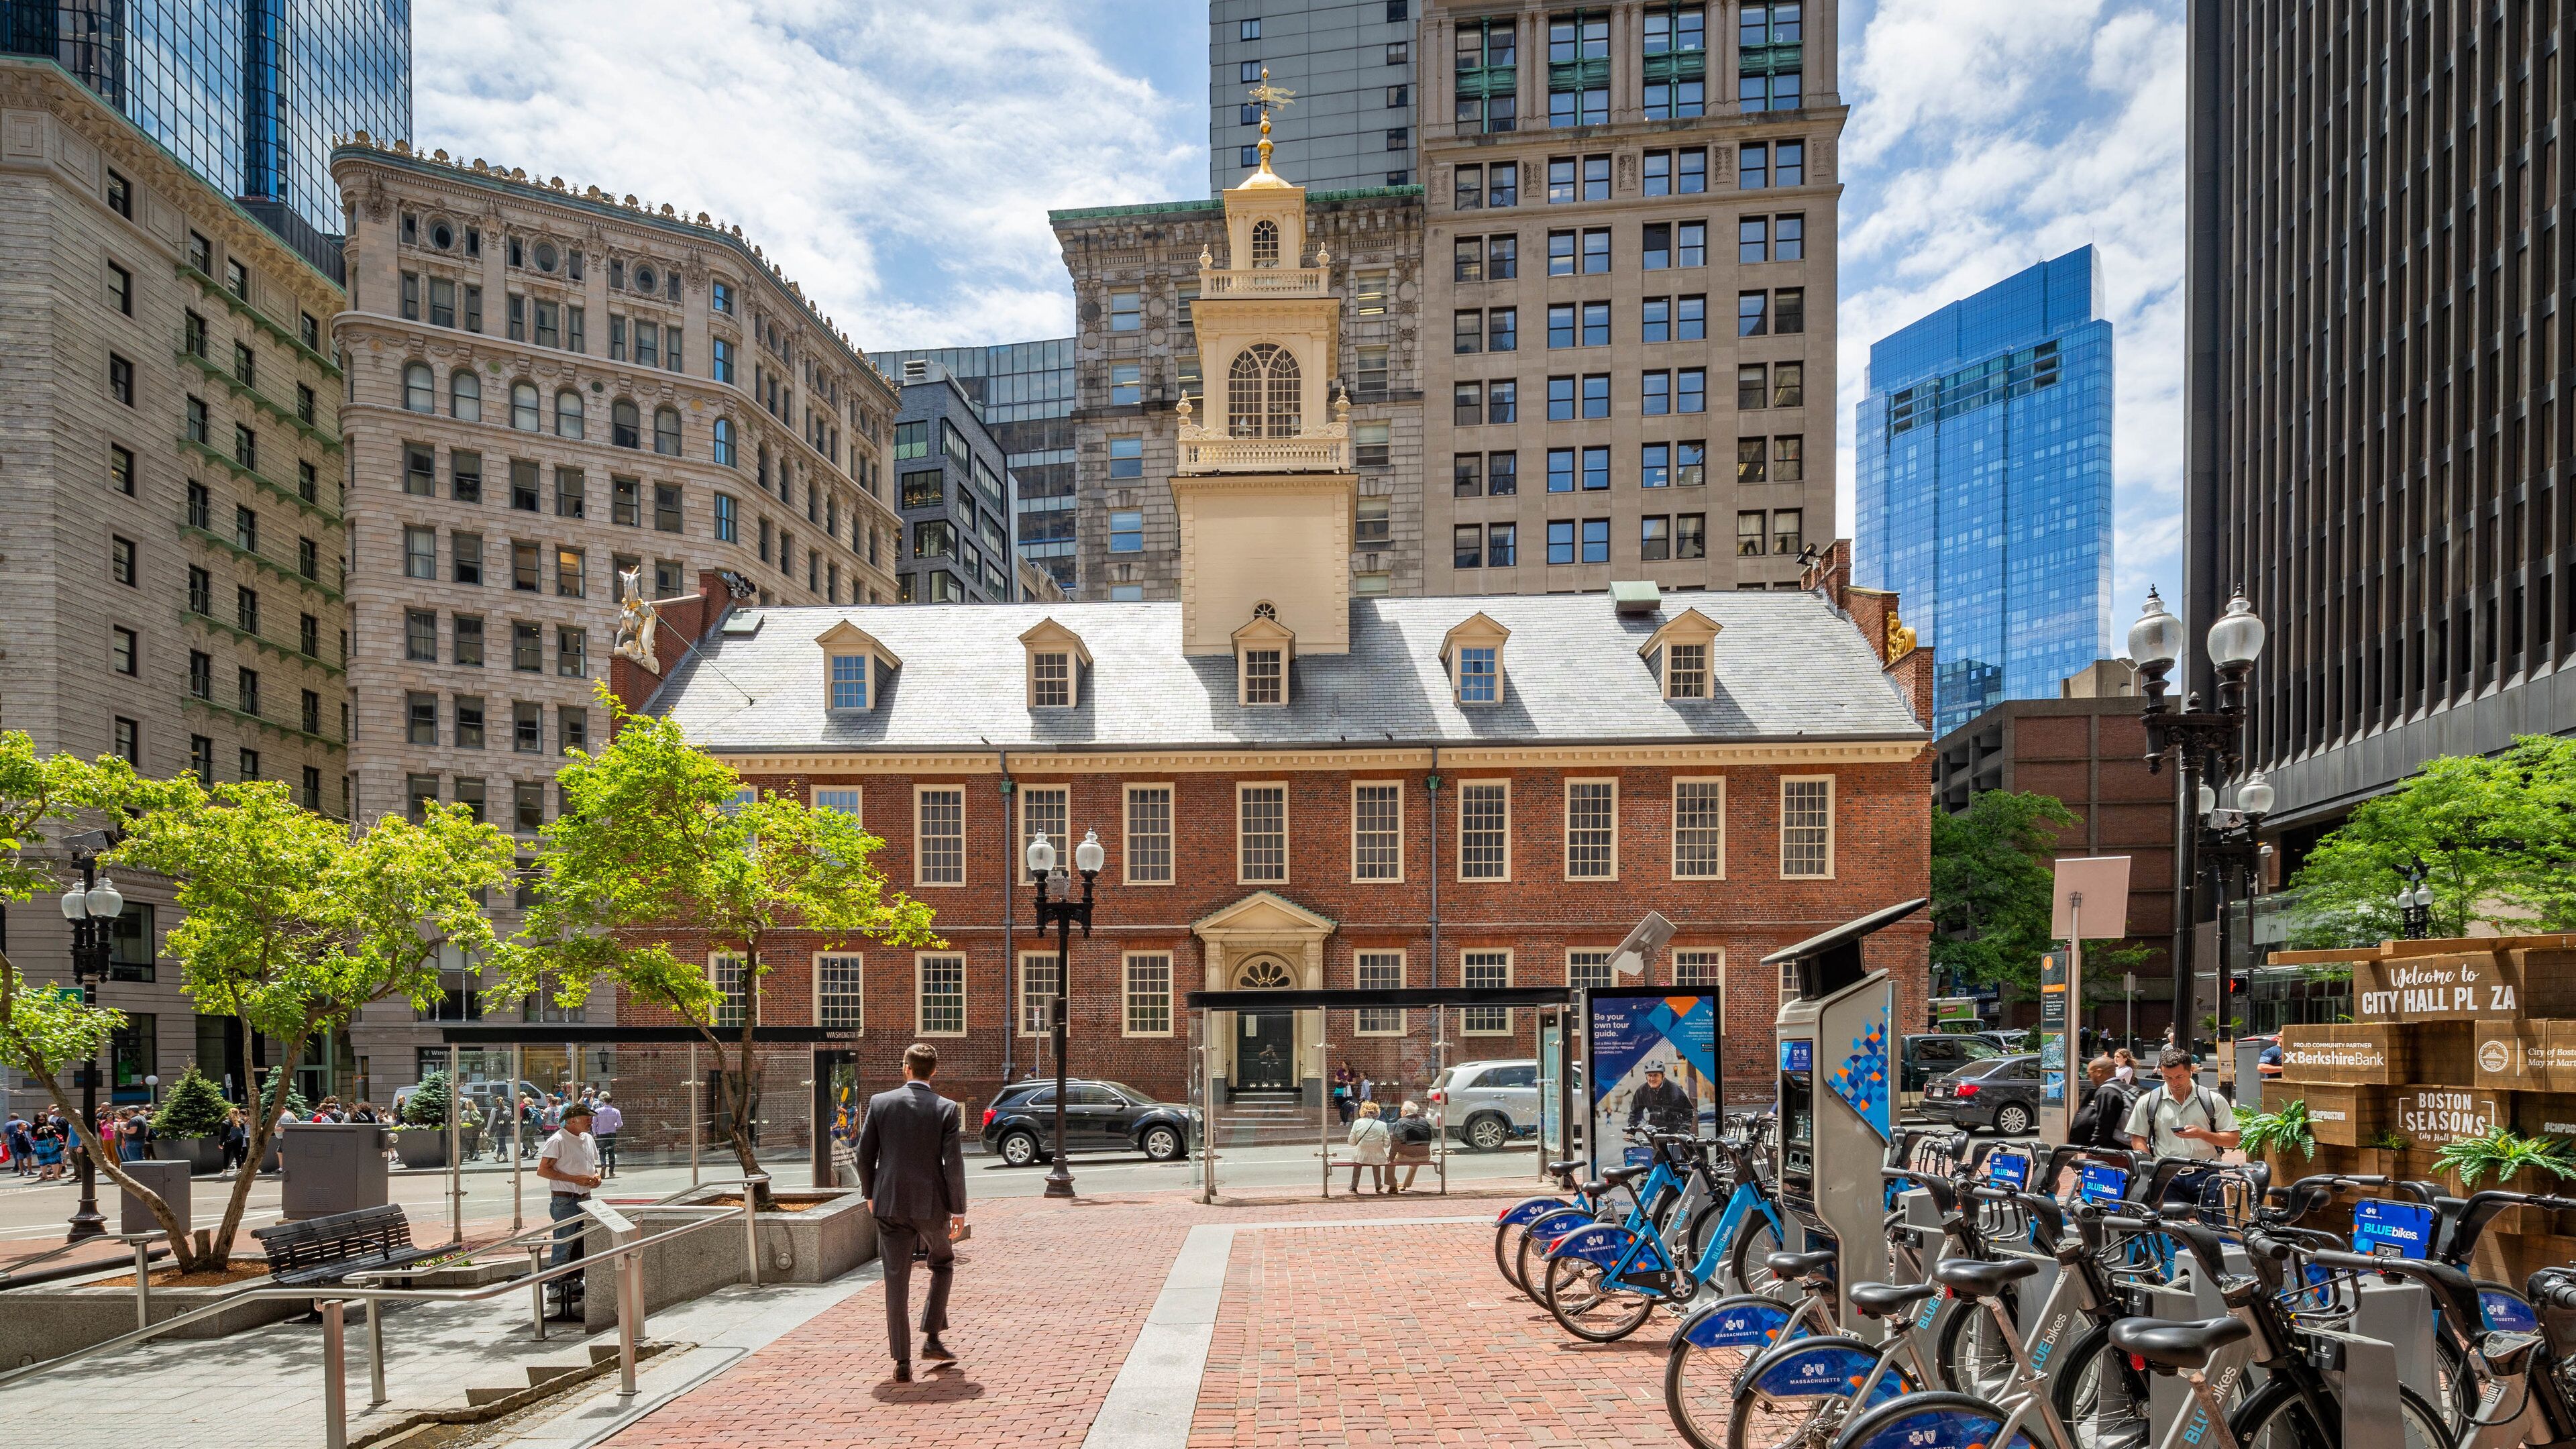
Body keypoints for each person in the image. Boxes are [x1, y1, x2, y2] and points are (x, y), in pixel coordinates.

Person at [857, 1042, 967, 1383]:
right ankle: (932, 1337)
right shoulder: (947, 1108)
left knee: (895, 1280)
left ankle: (902, 1361)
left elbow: (864, 1155)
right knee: (943, 1262)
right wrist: (958, 1209)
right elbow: (954, 1165)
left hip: (889, 1202)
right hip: (931, 1204)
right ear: (933, 1071)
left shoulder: (880, 1103)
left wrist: (870, 1193)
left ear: (906, 1067)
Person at [2125, 1046, 2239, 1202]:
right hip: (2166, 1176)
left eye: (2180, 1077)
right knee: (2168, 1226)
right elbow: (2137, 1137)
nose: (2174, 1083)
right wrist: (2149, 1167)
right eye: (2168, 1078)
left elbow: (2233, 1139)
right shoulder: (2149, 1101)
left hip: (2206, 1173)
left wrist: (2202, 1134)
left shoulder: (2212, 1100)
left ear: (2191, 1071)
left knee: (2214, 1226)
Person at [535, 1099, 601, 1320]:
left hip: (586, 1196)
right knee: (564, 1243)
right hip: (566, 1199)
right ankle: (555, 1288)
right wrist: (574, 1179)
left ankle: (574, 1283)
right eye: (586, 1119)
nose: (590, 1122)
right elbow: (544, 1171)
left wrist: (595, 1178)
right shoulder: (558, 1140)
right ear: (572, 1120)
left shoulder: (588, 1139)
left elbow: (593, 1165)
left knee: (582, 1243)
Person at [1626, 1061, 1695, 1136]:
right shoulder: (1642, 1090)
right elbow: (1635, 1112)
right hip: (1654, 1132)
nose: (1652, 1079)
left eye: (1656, 1075)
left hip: (1675, 1133)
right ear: (1646, 1077)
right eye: (1649, 1075)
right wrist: (1630, 1132)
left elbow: (1688, 1112)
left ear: (1663, 1076)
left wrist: (1683, 1131)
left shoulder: (1675, 1089)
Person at [1389, 1100, 1436, 1193]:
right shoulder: (1424, 1121)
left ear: (1405, 1112)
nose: (1400, 1112)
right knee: (1415, 1160)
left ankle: (1393, 1186)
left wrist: (1391, 1157)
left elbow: (1395, 1142)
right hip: (1425, 1156)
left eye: (1401, 1110)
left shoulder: (1401, 1122)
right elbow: (1428, 1139)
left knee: (1390, 1161)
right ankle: (1405, 1184)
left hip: (1407, 1156)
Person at [1345, 1100, 1391, 1194]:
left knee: (1357, 1165)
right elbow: (1387, 1143)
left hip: (1361, 1155)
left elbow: (1351, 1141)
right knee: (1376, 1165)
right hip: (1378, 1155)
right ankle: (1378, 1185)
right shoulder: (1382, 1125)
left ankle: (1354, 1186)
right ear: (1376, 1112)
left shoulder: (1358, 1123)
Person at [590, 1091, 623, 1177]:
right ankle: (611, 1171)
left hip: (601, 1134)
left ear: (604, 1101)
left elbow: (594, 1124)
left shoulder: (598, 1111)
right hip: (612, 1134)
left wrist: (595, 1133)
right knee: (611, 1152)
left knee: (602, 1152)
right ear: (612, 1102)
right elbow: (620, 1125)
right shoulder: (616, 1111)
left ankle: (603, 1165)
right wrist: (615, 1125)